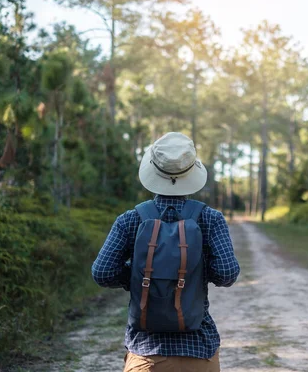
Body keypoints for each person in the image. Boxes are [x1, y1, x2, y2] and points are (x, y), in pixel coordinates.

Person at [92, 132, 240, 372]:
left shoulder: (130, 220)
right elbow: (227, 273)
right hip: (199, 349)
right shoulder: (211, 219)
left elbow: (102, 272)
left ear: (152, 171)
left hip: (146, 352)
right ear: (192, 172)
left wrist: (137, 276)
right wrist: (194, 270)